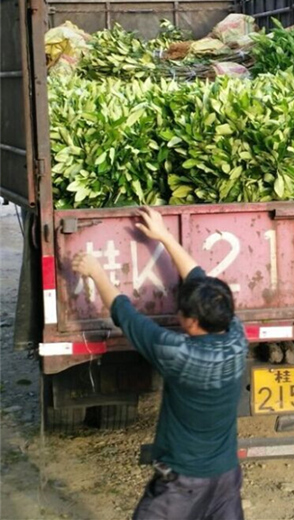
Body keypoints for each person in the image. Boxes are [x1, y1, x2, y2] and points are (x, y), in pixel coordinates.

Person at [72, 206, 248, 520]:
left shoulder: (179, 354)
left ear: (192, 322)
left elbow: (126, 316)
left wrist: (96, 272)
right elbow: (198, 277)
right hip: (225, 476)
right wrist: (164, 235)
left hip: (182, 483)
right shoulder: (236, 335)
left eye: (181, 312)